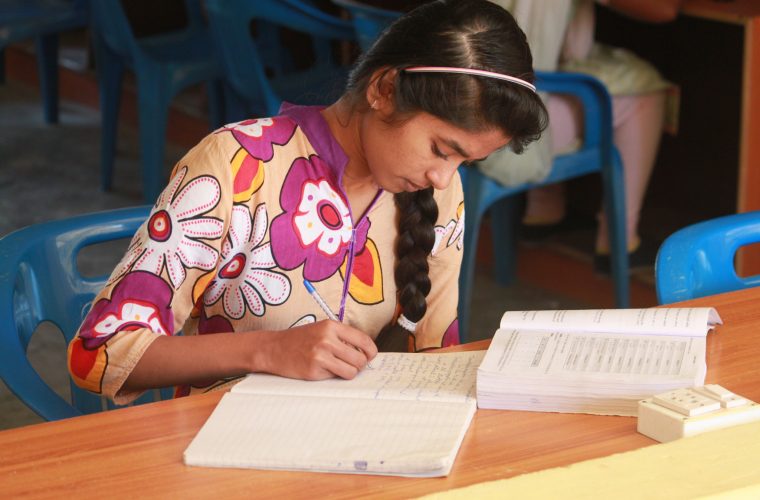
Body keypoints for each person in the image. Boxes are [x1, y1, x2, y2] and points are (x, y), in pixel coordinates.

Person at [66, 0, 547, 405]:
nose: (443, 176)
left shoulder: (438, 190)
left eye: (464, 162)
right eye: (442, 149)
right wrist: (268, 351)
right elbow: (101, 352)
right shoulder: (238, 165)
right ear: (384, 90)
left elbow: (439, 358)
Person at [482, 0, 680, 274]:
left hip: (465, 97)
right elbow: (664, 10)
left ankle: (544, 211)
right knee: (645, 89)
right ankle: (618, 241)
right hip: (505, 123)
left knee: (548, 59)